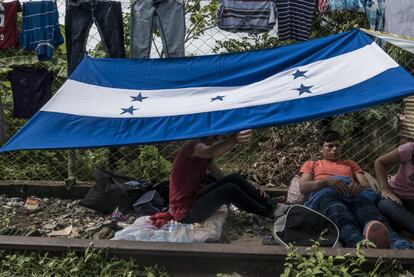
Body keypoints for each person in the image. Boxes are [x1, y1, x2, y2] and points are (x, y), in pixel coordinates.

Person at [299, 130, 413, 249]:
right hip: (328, 195)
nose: (334, 149)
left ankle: (399, 245)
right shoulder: (312, 164)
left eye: (337, 145)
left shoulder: (350, 164)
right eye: (329, 146)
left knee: (372, 216)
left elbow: (365, 185)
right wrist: (327, 182)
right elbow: (303, 187)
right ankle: (359, 247)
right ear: (320, 149)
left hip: (353, 195)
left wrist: (357, 186)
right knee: (340, 215)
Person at [169, 129, 286, 224]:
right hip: (185, 213)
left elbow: (222, 177)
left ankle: (274, 206)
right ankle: (269, 213)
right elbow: (211, 151)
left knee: (234, 178)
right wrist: (233, 139)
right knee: (229, 190)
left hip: (193, 200)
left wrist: (251, 185)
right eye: (224, 135)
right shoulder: (194, 147)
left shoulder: (203, 154)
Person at [375, 143, 414, 235]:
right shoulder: (409, 149)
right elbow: (380, 162)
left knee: (395, 223)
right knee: (384, 205)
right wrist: (385, 188)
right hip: (395, 199)